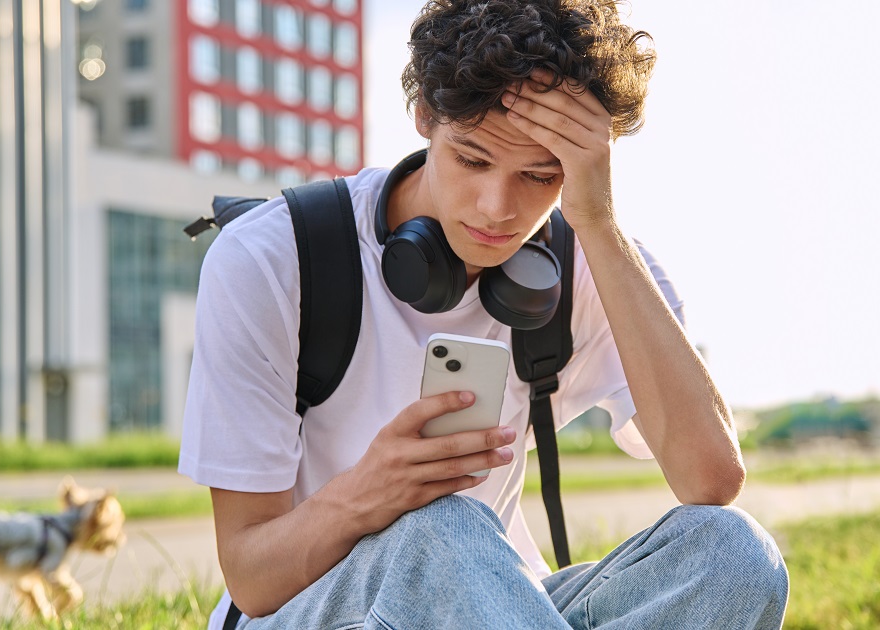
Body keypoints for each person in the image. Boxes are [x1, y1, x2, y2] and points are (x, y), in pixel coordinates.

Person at [179, 1, 789, 628]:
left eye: (538, 174)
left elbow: (709, 481)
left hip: (497, 608)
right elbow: (252, 580)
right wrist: (368, 496)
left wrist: (599, 225)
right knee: (440, 533)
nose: (498, 207)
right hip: (313, 610)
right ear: (423, 115)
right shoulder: (270, 258)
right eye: (472, 160)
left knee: (735, 555)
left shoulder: (591, 262)